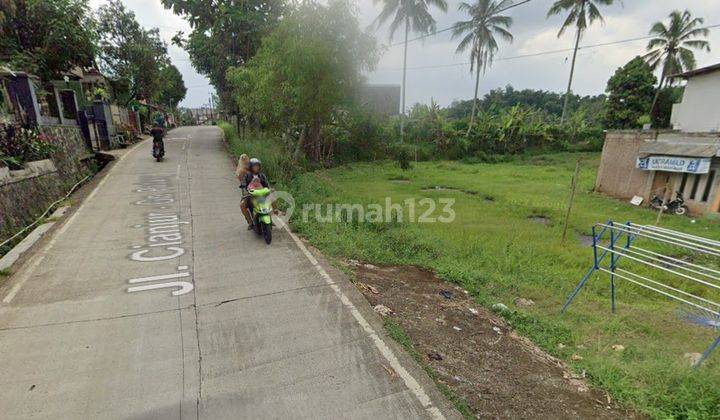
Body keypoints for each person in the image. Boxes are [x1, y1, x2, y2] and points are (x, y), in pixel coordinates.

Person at [240, 158, 270, 230]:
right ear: (250, 167)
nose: (256, 168)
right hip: (250, 196)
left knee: (273, 201)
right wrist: (244, 190)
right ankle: (250, 222)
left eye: (258, 166)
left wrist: (270, 189)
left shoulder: (262, 175)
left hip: (261, 195)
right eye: (254, 166)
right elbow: (243, 184)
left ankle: (272, 216)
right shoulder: (247, 175)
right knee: (242, 205)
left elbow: (267, 184)